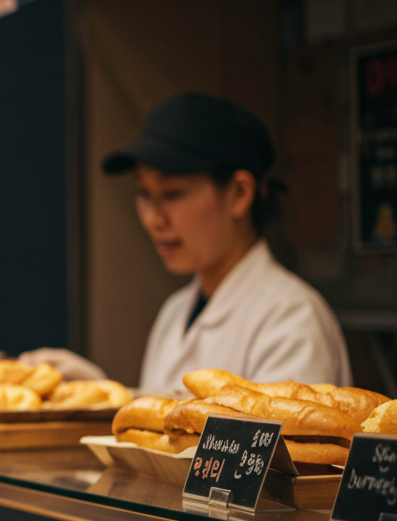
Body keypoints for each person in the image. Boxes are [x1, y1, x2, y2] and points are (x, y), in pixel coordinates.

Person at [22, 94, 350, 392]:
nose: (153, 219)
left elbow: (279, 436)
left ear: (239, 194)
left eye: (171, 193)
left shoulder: (292, 320)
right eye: (143, 193)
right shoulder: (175, 311)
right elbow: (163, 422)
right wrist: (103, 396)